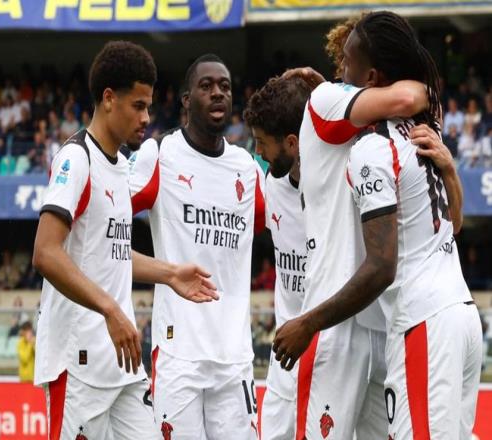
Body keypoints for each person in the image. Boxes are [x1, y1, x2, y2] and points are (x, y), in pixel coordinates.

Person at [274, 11, 481, 440]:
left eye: (346, 63)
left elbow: (382, 267)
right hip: (460, 313)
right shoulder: (423, 130)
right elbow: (454, 224)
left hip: (419, 319)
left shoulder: (373, 147)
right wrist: (450, 168)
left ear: (371, 77)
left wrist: (307, 323)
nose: (339, 75)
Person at [33, 41, 218, 440]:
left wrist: (170, 273)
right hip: (78, 361)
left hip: (123, 363)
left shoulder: (120, 165)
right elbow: (45, 253)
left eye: (148, 106)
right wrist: (110, 309)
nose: (146, 117)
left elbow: (111, 253)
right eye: (138, 106)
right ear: (108, 99)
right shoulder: (76, 159)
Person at [129, 54, 265, 439]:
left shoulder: (247, 167)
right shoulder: (161, 154)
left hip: (234, 357)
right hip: (179, 356)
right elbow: (107, 223)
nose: (218, 93)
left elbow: (276, 222)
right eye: (206, 86)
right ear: (186, 100)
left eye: (225, 86)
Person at [243, 76, 310, 440]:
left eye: (262, 143)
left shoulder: (339, 183)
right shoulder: (271, 182)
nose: (258, 152)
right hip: (285, 355)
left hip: (331, 350)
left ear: (292, 142)